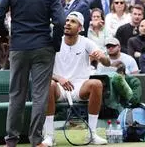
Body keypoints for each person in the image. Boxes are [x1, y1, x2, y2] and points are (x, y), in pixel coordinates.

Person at [0, 0, 66, 146]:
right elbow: (60, 22)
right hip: (43, 47)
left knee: (16, 95)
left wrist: (6, 35)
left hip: (19, 47)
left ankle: (11, 140)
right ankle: (36, 140)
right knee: (40, 95)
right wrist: (55, 45)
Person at [42, 11, 110, 146]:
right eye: (67, 21)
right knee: (48, 84)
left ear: (80, 28)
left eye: (72, 22)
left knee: (96, 84)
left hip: (80, 87)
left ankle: (92, 134)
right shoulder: (54, 42)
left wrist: (102, 57)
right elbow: (43, 70)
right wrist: (59, 78)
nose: (67, 23)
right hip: (58, 87)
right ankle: (49, 136)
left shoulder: (87, 43)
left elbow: (107, 62)